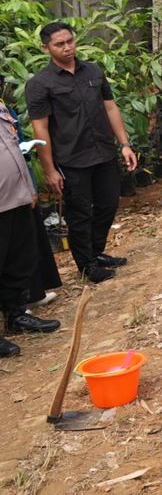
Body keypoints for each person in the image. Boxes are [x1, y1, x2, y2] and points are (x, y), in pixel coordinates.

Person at [25, 22, 139, 278]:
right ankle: (87, 265)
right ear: (46, 48)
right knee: (79, 213)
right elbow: (40, 128)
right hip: (72, 159)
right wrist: (49, 170)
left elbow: (110, 107)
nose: (67, 47)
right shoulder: (40, 84)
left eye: (70, 41)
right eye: (59, 44)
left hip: (104, 152)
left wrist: (124, 144)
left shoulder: (93, 71)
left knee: (108, 203)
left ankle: (95, 252)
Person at [0, 97, 62, 356]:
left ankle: (16, 315)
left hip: (16, 196)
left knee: (18, 260)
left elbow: (13, 148)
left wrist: (29, 188)